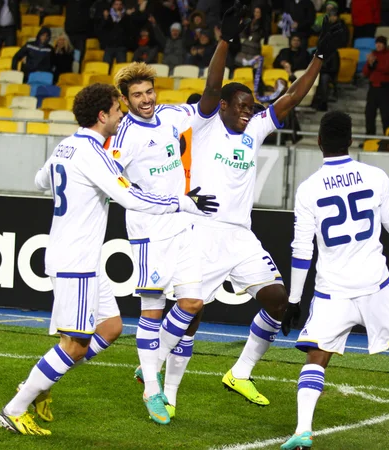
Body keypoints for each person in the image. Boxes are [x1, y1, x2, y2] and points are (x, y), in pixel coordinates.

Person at [136, 9, 346, 412]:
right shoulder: (205, 124)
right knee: (190, 317)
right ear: (224, 107)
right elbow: (212, 85)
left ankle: (240, 372)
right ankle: (162, 381)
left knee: (279, 301)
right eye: (242, 104)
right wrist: (226, 43)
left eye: (252, 105)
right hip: (200, 231)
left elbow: (292, 98)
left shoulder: (254, 129)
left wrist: (319, 56)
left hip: (240, 236)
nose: (249, 110)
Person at [0, 83, 218, 436]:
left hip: (80, 257)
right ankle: (17, 406)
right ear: (102, 115)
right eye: (117, 110)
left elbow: (41, 181)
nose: (121, 116)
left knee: (111, 328)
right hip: (76, 259)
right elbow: (131, 199)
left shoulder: (67, 145)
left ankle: (38, 385)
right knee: (75, 344)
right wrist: (182, 202)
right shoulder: (93, 154)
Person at [280, 110, 389, 450]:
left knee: (317, 356)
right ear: (351, 141)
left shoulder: (308, 190)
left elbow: (301, 249)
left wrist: (294, 299)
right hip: (376, 284)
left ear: (318, 142)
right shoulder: (375, 177)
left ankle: (303, 430)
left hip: (333, 291)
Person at [107, 62, 219, 425]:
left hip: (181, 223)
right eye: (137, 95)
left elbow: (207, 105)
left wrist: (224, 47)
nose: (146, 99)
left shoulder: (170, 116)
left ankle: (149, 364)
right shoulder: (123, 136)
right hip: (148, 231)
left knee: (193, 302)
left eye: (149, 91)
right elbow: (114, 184)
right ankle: (151, 388)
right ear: (125, 100)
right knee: (152, 310)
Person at [363, 35, 389, 137]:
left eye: (380, 43)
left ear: (384, 44)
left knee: (386, 116)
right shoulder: (373, 54)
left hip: (384, 89)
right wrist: (369, 64)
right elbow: (365, 72)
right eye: (377, 43)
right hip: (372, 88)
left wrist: (374, 63)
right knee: (369, 115)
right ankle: (369, 138)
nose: (378, 45)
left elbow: (387, 68)